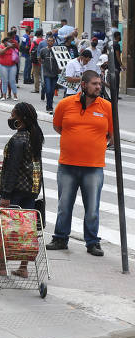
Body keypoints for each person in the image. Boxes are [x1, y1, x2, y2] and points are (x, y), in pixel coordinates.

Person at [47, 71, 112, 256]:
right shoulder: (66, 104)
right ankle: (60, 238)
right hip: (67, 165)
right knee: (64, 205)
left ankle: (92, 242)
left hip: (93, 167)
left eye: (99, 84)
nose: (98, 87)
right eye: (94, 84)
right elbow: (58, 126)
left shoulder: (106, 106)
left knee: (92, 208)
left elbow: (111, 135)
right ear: (83, 85)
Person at [0, 102, 44, 278]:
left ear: (20, 118)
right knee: (26, 229)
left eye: (13, 115)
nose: (11, 118)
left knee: (7, 228)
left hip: (15, 190)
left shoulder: (18, 139)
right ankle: (23, 267)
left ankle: (2, 265)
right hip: (32, 188)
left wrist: (6, 194)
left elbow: (13, 169)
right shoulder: (35, 135)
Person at [0, 34, 19, 101]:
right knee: (4, 81)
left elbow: (18, 50)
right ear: (5, 42)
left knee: (12, 81)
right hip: (3, 66)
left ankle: (15, 96)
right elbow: (0, 52)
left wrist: (14, 45)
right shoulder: (0, 46)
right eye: (8, 42)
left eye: (10, 42)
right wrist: (7, 48)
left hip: (12, 66)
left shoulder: (12, 47)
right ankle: (4, 96)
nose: (9, 43)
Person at [30, 30, 44, 94]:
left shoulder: (34, 42)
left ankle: (37, 89)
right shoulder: (44, 41)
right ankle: (44, 88)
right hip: (44, 61)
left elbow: (30, 51)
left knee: (36, 75)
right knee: (43, 75)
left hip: (36, 61)